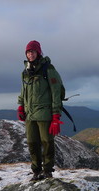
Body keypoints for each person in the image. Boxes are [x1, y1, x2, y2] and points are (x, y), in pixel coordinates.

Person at [17, 40, 64, 181]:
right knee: (32, 143)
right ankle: (36, 171)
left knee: (47, 142)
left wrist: (56, 116)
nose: (30, 54)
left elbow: (56, 93)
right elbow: (23, 90)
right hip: (30, 114)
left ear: (38, 53)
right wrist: (20, 105)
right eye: (28, 52)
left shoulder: (48, 69)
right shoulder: (25, 72)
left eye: (33, 51)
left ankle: (48, 171)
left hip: (44, 113)